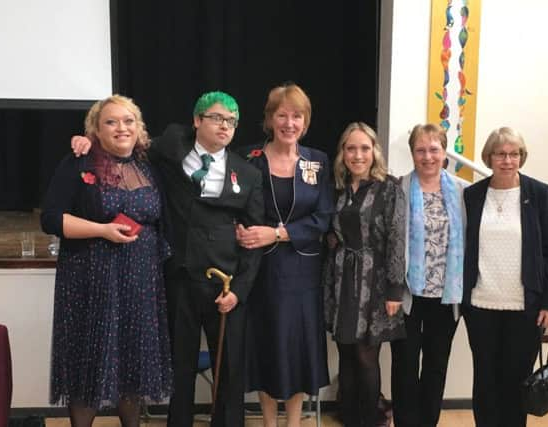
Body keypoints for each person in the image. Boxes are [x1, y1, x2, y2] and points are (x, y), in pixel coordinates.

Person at [71, 91, 265, 427]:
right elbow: (122, 140)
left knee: (230, 370)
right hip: (178, 279)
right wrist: (87, 141)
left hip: (226, 285)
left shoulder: (247, 174)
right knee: (180, 368)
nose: (224, 126)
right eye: (217, 118)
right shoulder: (169, 148)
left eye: (231, 121)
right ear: (197, 120)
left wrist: (241, 289)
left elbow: (253, 237)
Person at [41, 94, 173, 427]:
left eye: (128, 121)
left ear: (139, 127)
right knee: (89, 364)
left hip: (140, 281)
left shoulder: (148, 165)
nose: (121, 128)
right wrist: (101, 230)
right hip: (90, 280)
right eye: (110, 122)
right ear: (95, 130)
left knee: (133, 365)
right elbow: (51, 219)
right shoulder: (78, 163)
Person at [236, 83, 333, 427]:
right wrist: (240, 230)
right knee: (265, 346)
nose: (289, 122)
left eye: (297, 115)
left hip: (301, 272)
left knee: (295, 350)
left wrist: (276, 233)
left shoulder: (318, 162)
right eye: (282, 115)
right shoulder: (248, 158)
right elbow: (234, 206)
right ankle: (268, 422)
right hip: (258, 271)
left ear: (305, 122)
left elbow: (323, 217)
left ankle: (292, 423)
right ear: (269, 119)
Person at [462, 127, 548, 427]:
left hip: (525, 306)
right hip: (480, 304)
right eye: (501, 154)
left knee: (516, 381)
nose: (507, 160)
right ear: (489, 157)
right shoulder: (473, 194)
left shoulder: (538, 193)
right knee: (485, 380)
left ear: (521, 157)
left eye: (514, 153)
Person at [323, 122, 406, 427]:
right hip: (343, 279)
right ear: (342, 153)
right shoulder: (339, 189)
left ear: (374, 152)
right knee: (345, 352)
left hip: (376, 282)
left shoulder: (389, 188)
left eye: (364, 148)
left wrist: (395, 290)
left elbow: (398, 238)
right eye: (351, 148)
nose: (357, 155)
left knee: (366, 355)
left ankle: (370, 420)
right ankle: (351, 418)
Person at [389, 124, 468, 427]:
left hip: (447, 296)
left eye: (434, 149)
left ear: (444, 152)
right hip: (408, 295)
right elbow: (391, 242)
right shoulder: (399, 187)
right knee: (405, 366)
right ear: (412, 153)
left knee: (436, 367)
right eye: (420, 150)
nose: (427, 156)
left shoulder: (462, 191)